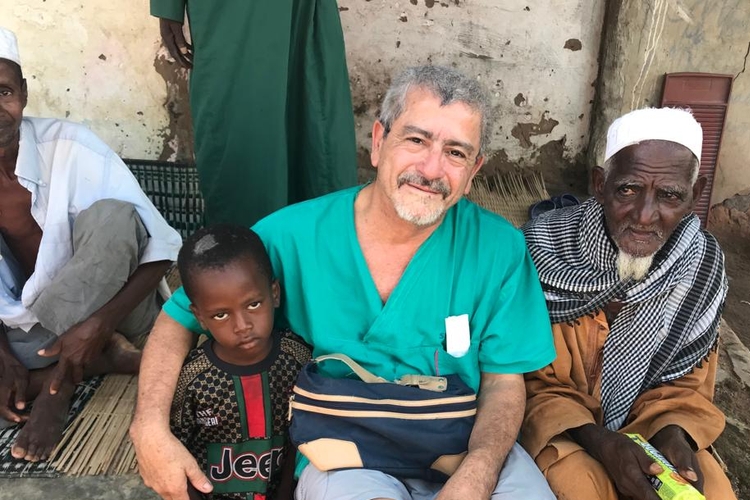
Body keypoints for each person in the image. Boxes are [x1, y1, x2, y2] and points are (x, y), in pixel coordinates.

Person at [131, 65, 557, 500]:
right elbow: (180, 317)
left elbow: (504, 381)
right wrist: (149, 429)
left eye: (456, 153)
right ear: (378, 142)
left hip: (465, 441)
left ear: (473, 171)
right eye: (416, 140)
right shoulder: (292, 236)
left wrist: (479, 471)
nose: (431, 169)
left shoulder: (498, 247)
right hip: (344, 451)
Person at [520, 107, 736, 500]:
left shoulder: (700, 266)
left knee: (713, 493)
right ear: (600, 183)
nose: (644, 216)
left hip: (652, 427)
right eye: (628, 189)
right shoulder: (539, 250)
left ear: (695, 195)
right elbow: (525, 382)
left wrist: (674, 434)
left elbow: (688, 385)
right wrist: (601, 442)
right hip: (562, 430)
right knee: (582, 488)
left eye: (670, 195)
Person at [0, 26, 182, 462]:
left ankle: (57, 384)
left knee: (114, 216)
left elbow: (161, 249)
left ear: (23, 93)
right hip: (28, 331)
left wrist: (95, 327)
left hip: (117, 306)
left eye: (3, 91)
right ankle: (102, 359)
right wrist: (2, 357)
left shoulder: (71, 146)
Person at [151, 0, 357, 228]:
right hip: (229, 13)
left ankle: (312, 247)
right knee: (238, 120)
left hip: (300, 8)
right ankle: (241, 252)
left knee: (312, 114)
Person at [171, 225, 311, 500]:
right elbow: (176, 453)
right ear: (200, 317)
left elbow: (302, 436)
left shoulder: (298, 360)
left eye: (253, 304)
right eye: (221, 315)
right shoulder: (192, 380)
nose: (242, 325)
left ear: (274, 293)